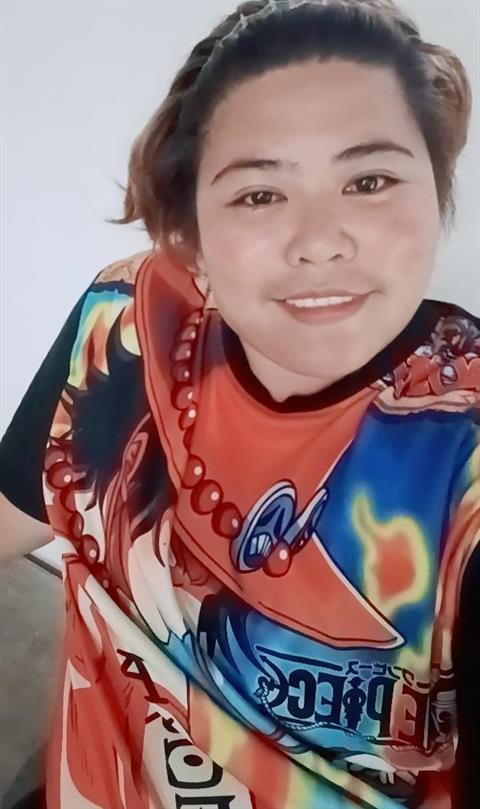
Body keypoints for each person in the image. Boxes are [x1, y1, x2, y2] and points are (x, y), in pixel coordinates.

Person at [0, 0, 478, 806]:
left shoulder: (458, 458)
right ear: (189, 226)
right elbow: (17, 508)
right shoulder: (127, 321)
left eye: (369, 181)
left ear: (437, 192)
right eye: (260, 194)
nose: (319, 241)